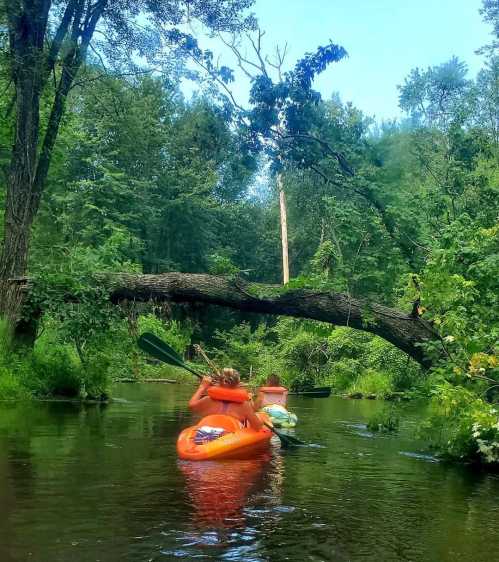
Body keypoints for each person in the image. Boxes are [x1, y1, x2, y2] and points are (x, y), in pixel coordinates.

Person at [189, 368, 264, 431]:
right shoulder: (244, 405)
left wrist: (202, 387)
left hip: (205, 436)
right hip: (229, 440)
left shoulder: (208, 400)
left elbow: (192, 406)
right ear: (238, 385)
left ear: (219, 383)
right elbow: (257, 427)